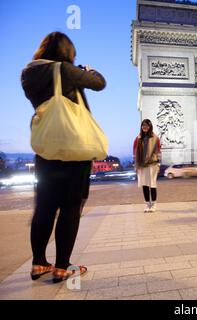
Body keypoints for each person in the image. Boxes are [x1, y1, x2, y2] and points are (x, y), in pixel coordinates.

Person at [21, 32, 106, 282]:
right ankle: (61, 266)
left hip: (46, 147)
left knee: (44, 208)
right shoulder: (65, 70)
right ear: (66, 52)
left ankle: (38, 264)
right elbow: (99, 83)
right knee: (70, 208)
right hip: (73, 147)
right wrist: (89, 70)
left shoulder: (28, 73)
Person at [133, 119, 161, 213]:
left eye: (147, 125)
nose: (145, 127)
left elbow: (158, 151)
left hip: (152, 164)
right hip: (141, 165)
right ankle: (147, 205)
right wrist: (136, 165)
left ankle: (153, 205)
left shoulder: (155, 138)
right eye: (143, 125)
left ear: (150, 126)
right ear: (141, 127)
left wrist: (158, 163)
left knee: (152, 185)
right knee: (144, 185)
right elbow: (134, 151)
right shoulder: (138, 138)